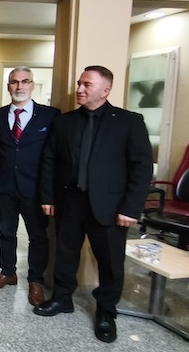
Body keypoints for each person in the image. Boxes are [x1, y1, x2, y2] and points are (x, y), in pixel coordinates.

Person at [34, 65, 153, 343]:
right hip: (70, 200)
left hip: (110, 206)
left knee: (110, 261)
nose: (79, 89)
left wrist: (131, 208)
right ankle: (62, 298)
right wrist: (47, 197)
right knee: (65, 254)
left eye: (87, 85)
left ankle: (106, 312)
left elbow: (142, 168)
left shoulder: (129, 122)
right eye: (79, 83)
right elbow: (49, 161)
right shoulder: (65, 122)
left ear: (105, 90)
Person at [0, 67, 59, 305]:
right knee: (6, 232)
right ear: (8, 87)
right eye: (14, 82)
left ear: (32, 85)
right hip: (4, 186)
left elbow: (54, 156)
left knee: (38, 236)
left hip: (34, 188)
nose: (19, 86)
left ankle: (35, 280)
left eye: (25, 81)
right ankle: (8, 272)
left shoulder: (50, 116)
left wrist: (50, 193)